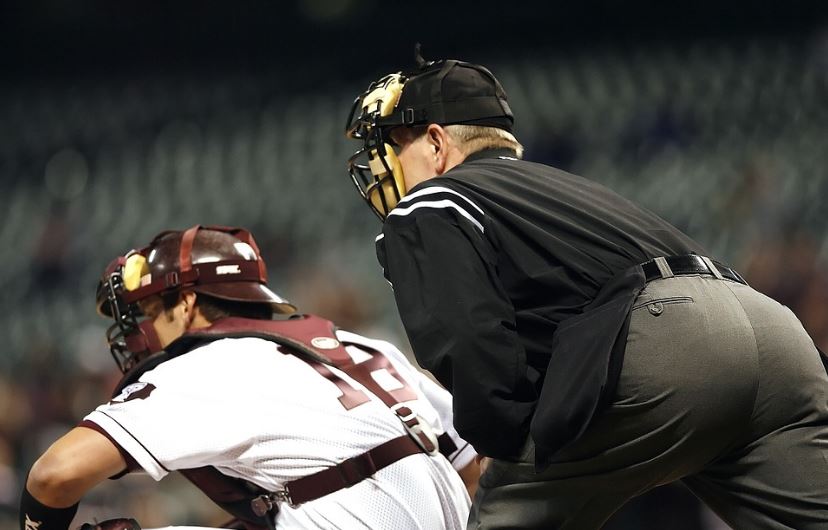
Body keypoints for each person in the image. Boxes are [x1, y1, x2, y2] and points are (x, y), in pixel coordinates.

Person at [344, 54, 828, 529]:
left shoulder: (432, 200)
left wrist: (503, 447)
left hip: (671, 344)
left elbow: (468, 340)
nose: (384, 164)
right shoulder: (563, 188)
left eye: (393, 143)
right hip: (775, 336)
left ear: (435, 142)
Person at [20, 225, 477, 530]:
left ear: (187, 304)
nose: (143, 331)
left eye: (149, 312)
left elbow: (55, 474)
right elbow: (473, 469)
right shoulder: (363, 345)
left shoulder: (210, 364)